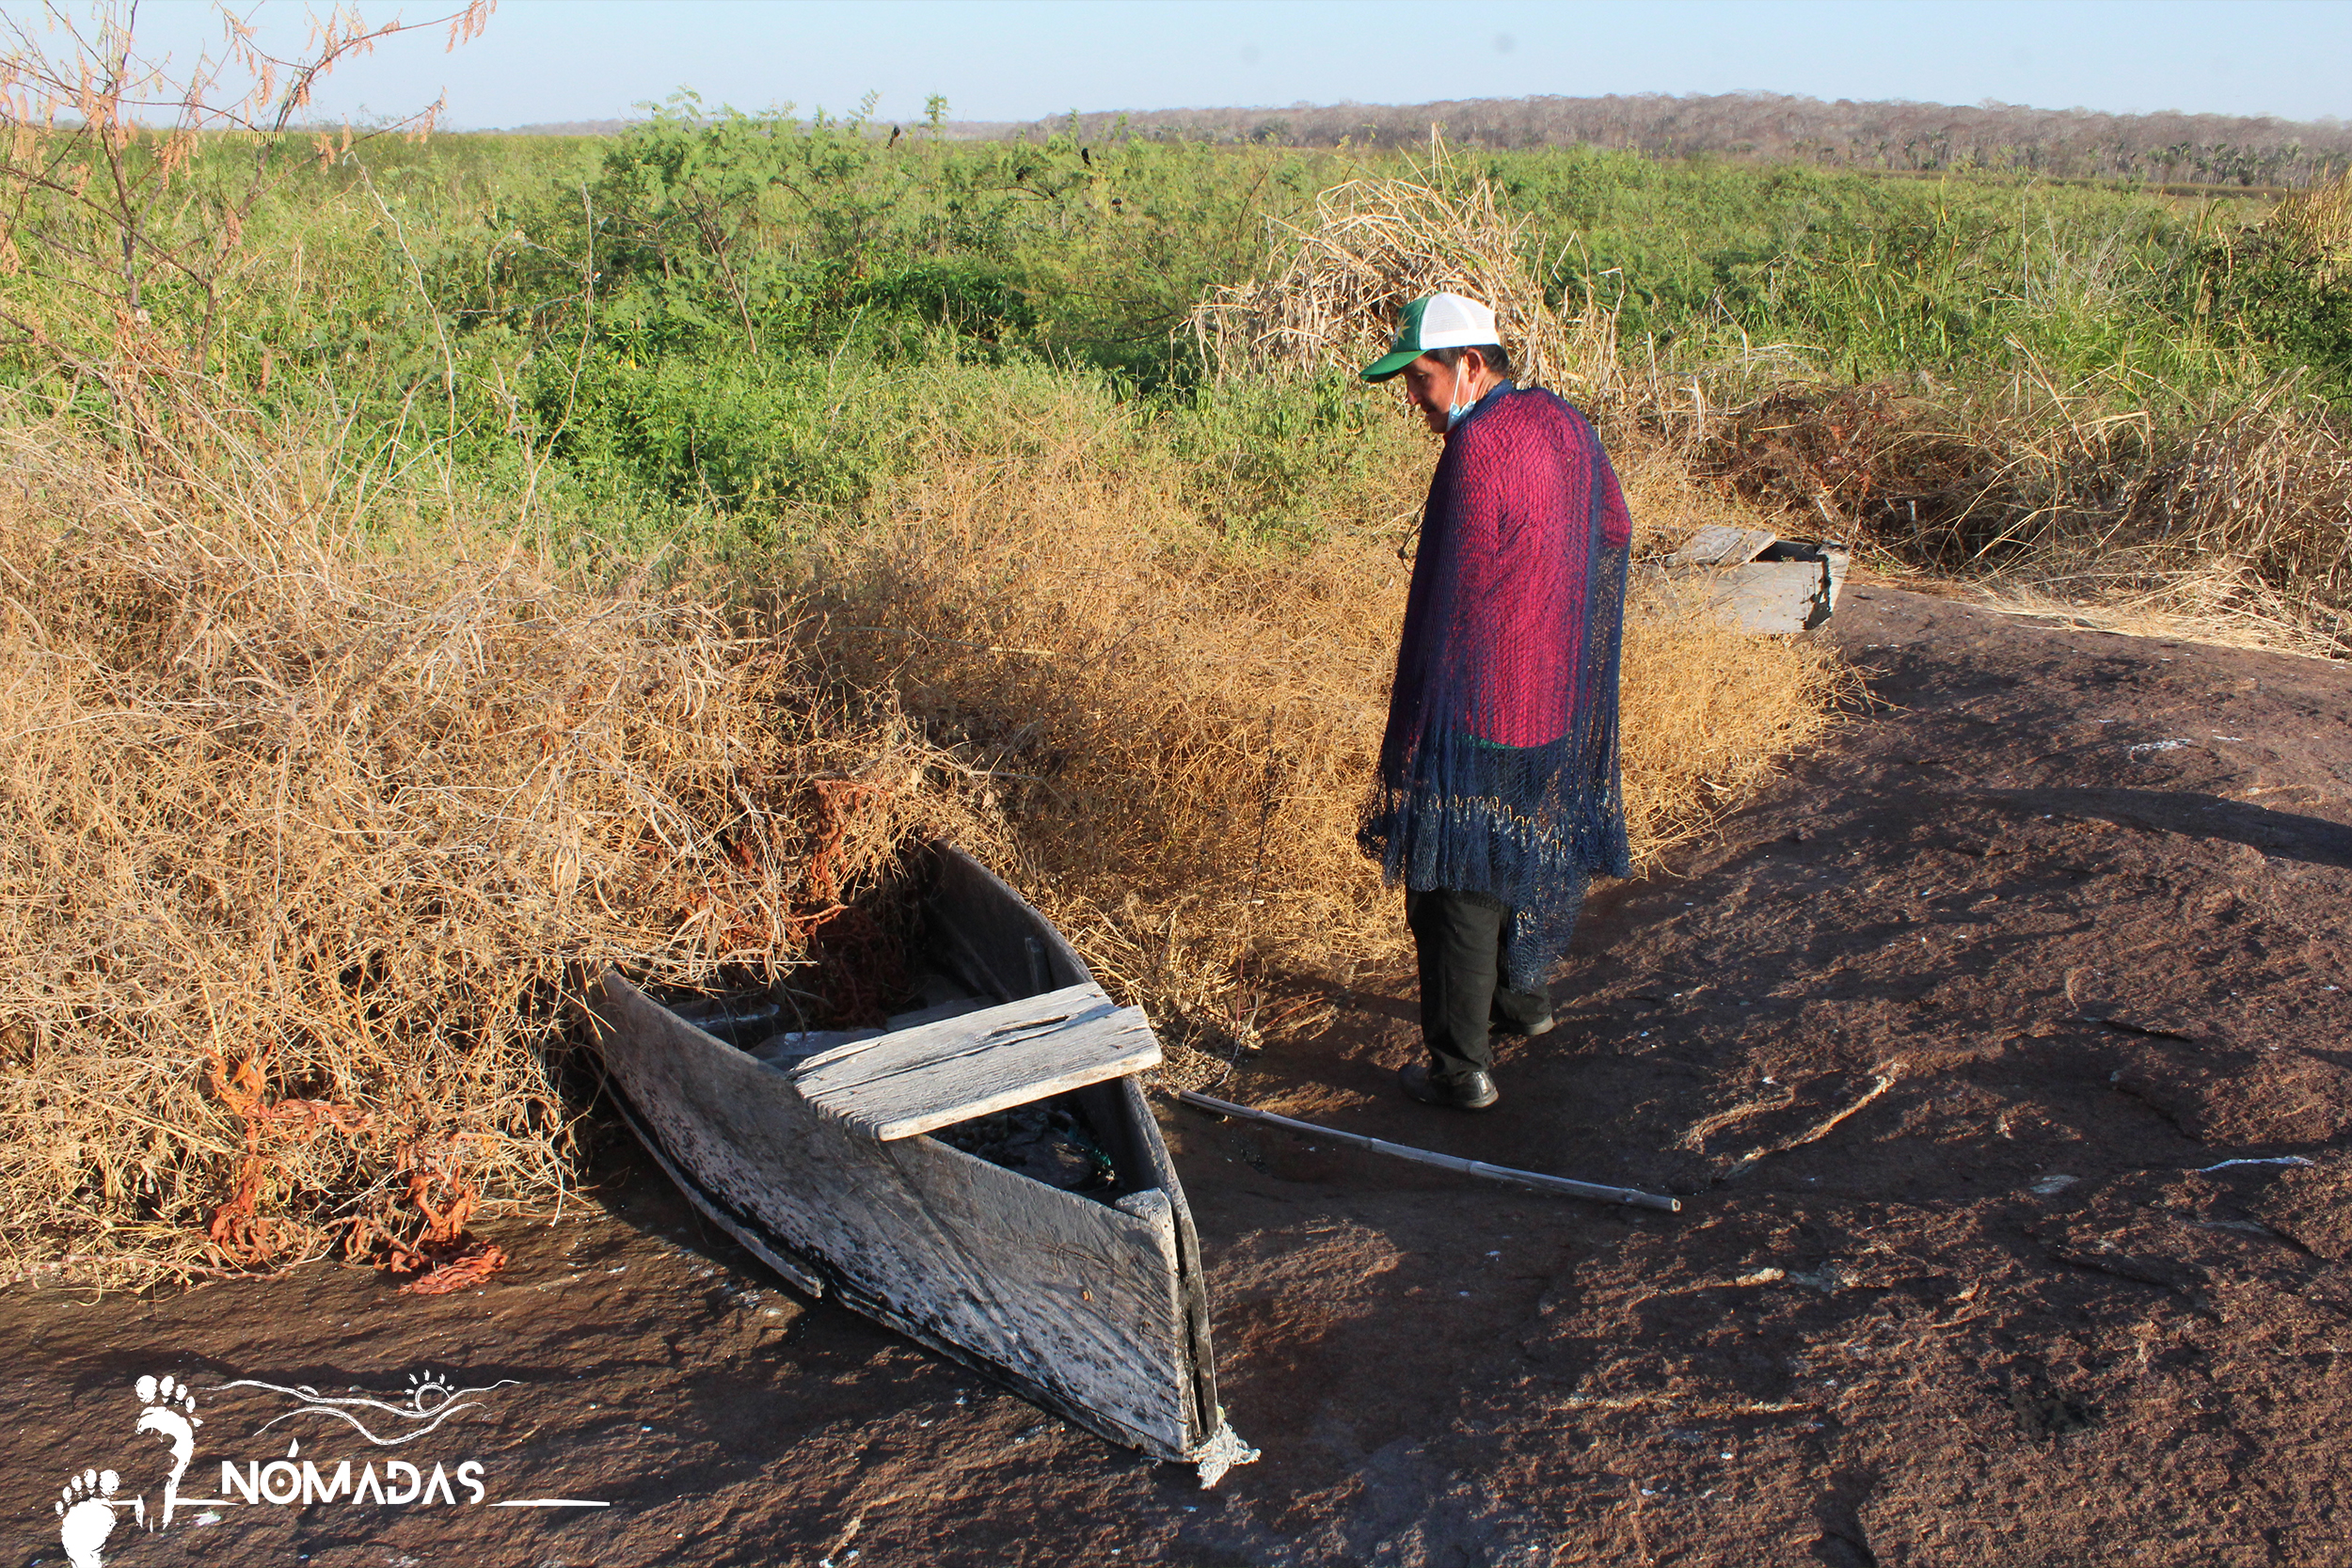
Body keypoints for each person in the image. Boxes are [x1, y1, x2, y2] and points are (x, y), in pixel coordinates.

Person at [1358, 292, 1634, 1111]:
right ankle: (1522, 1004)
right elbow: (1614, 527)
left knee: (1451, 884)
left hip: (1481, 708)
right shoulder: (1567, 425)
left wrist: (1420, 719)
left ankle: (1459, 1068)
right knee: (1515, 846)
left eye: (1421, 377)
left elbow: (1458, 589)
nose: (1413, 397)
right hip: (1552, 703)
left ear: (1471, 365)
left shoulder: (1475, 449)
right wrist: (1550, 603)